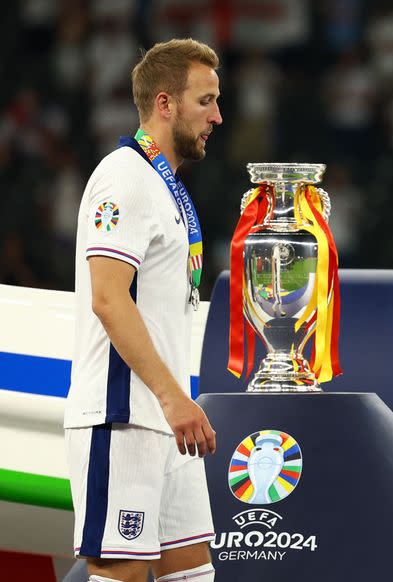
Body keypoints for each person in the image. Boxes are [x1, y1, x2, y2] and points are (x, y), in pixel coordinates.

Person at [63, 38, 222, 582]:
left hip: (167, 420)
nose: (217, 116)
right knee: (123, 576)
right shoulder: (124, 177)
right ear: (164, 104)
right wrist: (173, 397)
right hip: (122, 416)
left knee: (193, 573)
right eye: (205, 101)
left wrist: (177, 401)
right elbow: (108, 299)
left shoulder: (167, 190)